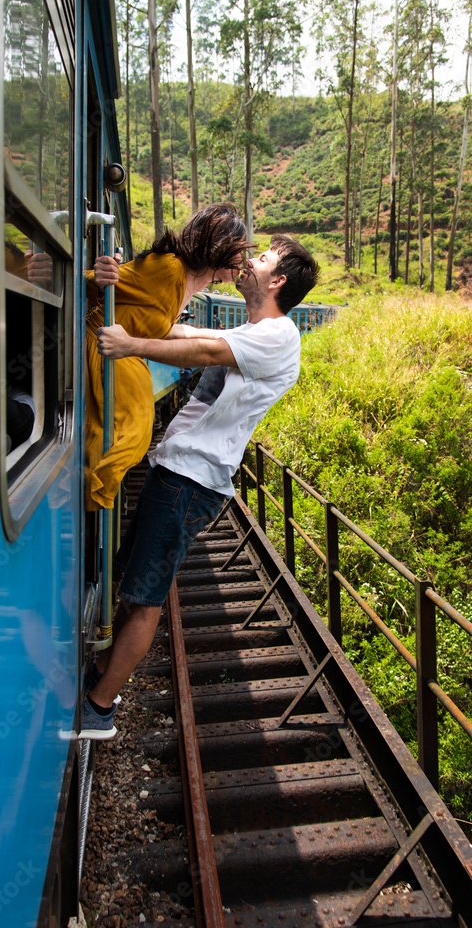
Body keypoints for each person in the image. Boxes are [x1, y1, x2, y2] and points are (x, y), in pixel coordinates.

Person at [79, 234, 319, 738]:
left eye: (262, 259)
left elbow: (203, 349)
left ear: (277, 281)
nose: (248, 262)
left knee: (145, 597)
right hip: (178, 471)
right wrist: (119, 286)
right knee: (135, 588)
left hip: (193, 479)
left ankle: (99, 708)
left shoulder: (279, 336)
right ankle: (103, 676)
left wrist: (129, 344)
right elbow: (180, 329)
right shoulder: (257, 329)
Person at [85, 204, 250, 511]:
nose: (242, 260)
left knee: (131, 431)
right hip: (106, 345)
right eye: (238, 250)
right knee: (131, 431)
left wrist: (229, 340)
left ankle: (92, 498)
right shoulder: (169, 268)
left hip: (124, 352)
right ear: (220, 245)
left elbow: (167, 329)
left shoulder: (186, 279)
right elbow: (100, 283)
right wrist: (100, 274)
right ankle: (88, 494)